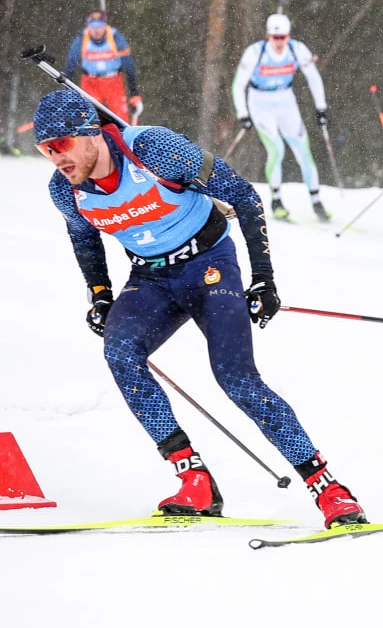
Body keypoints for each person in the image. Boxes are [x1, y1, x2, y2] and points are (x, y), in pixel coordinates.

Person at [35, 88, 365, 528]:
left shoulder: (153, 149)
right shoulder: (65, 190)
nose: (56, 157)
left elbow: (243, 195)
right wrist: (99, 293)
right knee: (120, 353)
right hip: (150, 278)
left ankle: (330, 490)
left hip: (210, 266)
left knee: (237, 379)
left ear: (90, 133)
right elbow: (84, 239)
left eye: (61, 144)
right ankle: (196, 482)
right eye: (45, 148)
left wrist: (263, 277)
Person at [231, 13, 331, 222]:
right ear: (268, 36)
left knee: (303, 150)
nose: (279, 42)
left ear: (288, 36)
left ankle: (316, 202)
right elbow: (239, 84)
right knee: (277, 149)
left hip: (286, 100)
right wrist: (243, 114)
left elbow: (313, 77)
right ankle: (276, 201)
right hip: (260, 103)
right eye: (275, 38)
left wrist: (321, 107)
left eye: (283, 37)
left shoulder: (297, 49)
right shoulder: (255, 52)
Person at [64, 9, 142, 125]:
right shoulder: (82, 38)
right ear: (88, 26)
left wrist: (134, 93)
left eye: (100, 26)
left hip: (113, 83)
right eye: (93, 26)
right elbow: (71, 63)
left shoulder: (115, 37)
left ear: (105, 25)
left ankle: (121, 140)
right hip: (90, 83)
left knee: (121, 120)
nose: (96, 30)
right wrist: (67, 92)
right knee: (87, 119)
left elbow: (129, 65)